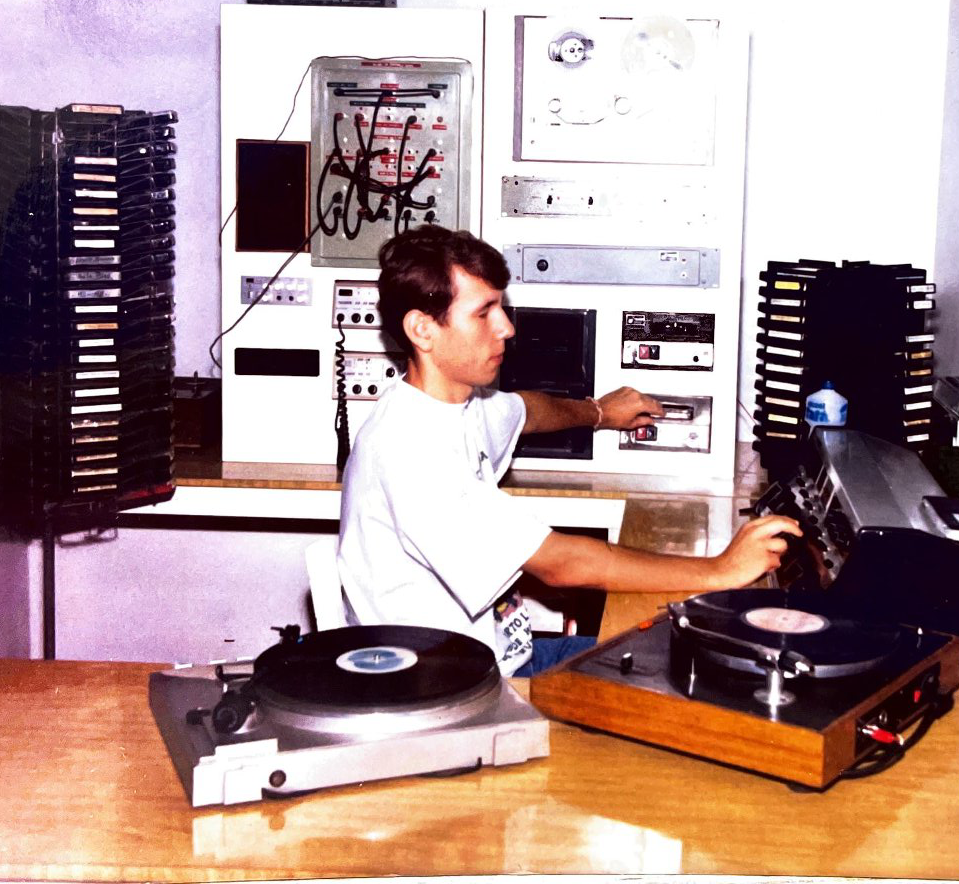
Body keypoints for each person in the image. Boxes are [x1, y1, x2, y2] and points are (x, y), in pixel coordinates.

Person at [336, 225, 801, 678]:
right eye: (484, 313)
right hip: (452, 690)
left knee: (682, 657)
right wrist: (720, 569)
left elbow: (527, 411)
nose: (506, 328)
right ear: (422, 329)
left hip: (503, 657)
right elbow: (563, 565)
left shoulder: (459, 404)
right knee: (694, 681)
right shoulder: (411, 451)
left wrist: (599, 412)